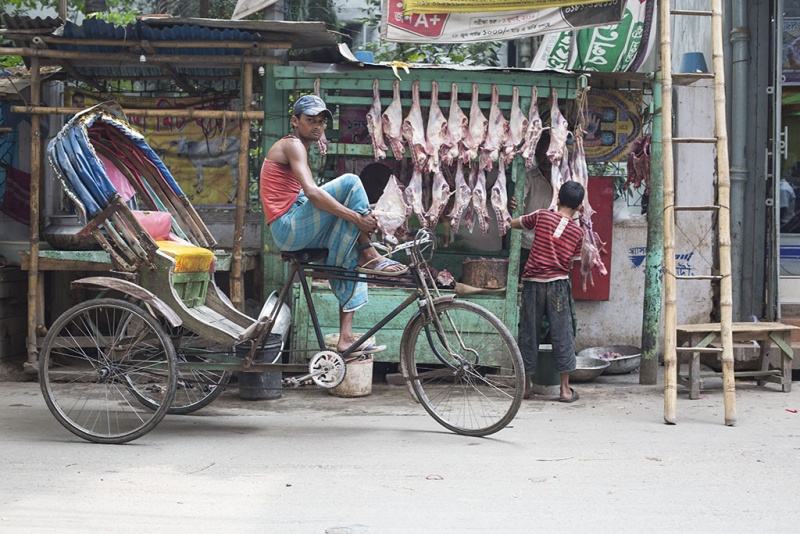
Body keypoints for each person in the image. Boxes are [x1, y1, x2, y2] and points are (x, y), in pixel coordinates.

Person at [260, 94, 408, 355]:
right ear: (295, 121)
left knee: (350, 246)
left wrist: (356, 219)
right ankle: (370, 253)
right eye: (310, 120)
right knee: (350, 182)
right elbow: (313, 194)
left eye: (321, 121)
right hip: (287, 227)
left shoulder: (302, 148)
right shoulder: (292, 144)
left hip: (296, 226)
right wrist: (357, 219)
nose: (317, 126)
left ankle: (346, 338)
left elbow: (307, 197)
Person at [510, 179, 585, 403]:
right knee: (562, 333)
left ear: (558, 199)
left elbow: (514, 223)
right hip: (558, 286)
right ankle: (564, 389)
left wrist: (511, 211)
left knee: (528, 332)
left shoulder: (542, 216)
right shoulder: (577, 232)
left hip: (533, 284)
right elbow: (572, 263)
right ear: (580, 207)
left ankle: (525, 387)